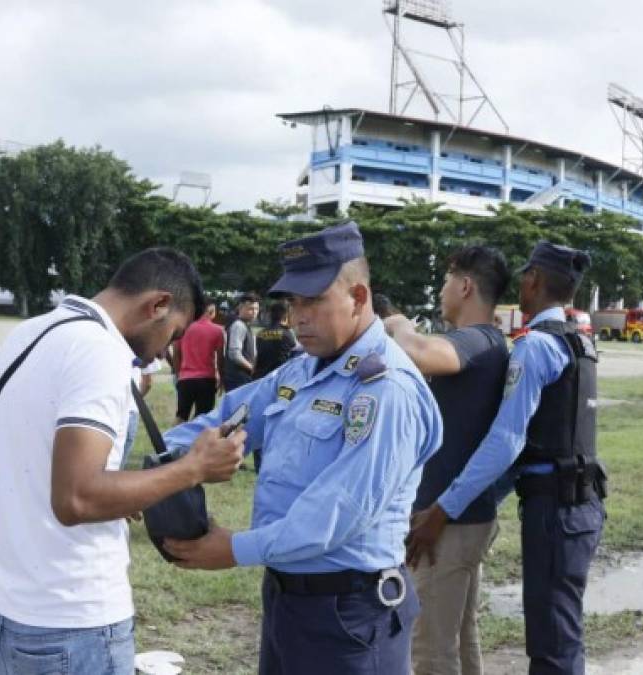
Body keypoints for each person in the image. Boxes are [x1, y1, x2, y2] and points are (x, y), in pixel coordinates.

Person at [161, 222, 443, 675]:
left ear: (358, 298)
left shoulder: (385, 389)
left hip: (349, 614)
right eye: (293, 302)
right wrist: (158, 468)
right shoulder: (301, 372)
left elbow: (334, 515)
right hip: (289, 599)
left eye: (313, 300)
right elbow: (225, 418)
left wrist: (233, 548)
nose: (298, 317)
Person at [0, 248, 246, 675]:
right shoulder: (103, 353)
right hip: (75, 625)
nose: (166, 353)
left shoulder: (33, 331)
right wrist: (193, 468)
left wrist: (114, 492)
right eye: (173, 334)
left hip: (11, 615)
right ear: (158, 305)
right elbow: (76, 499)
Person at [409, 241, 606, 675]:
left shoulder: (535, 346)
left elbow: (507, 441)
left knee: (552, 643)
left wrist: (444, 509)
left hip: (556, 508)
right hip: (575, 502)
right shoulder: (577, 341)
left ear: (533, 280)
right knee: (548, 634)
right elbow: (535, 442)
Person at [383, 245, 511, 675]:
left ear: (465, 285)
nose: (441, 291)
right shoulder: (490, 341)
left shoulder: (476, 340)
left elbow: (417, 350)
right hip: (462, 516)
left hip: (449, 523)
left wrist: (397, 321)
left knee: (431, 649)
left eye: (444, 281)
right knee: (458, 637)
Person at [173, 298, 226, 424]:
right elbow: (220, 359)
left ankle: (171, 441)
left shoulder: (184, 327)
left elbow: (176, 354)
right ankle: (195, 440)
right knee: (204, 417)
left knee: (181, 415)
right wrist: (222, 378)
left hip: (185, 378)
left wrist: (178, 374)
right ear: (211, 311)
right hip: (207, 379)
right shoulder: (218, 331)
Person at [223, 294, 259, 392]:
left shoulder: (246, 326)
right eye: (250, 309)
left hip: (243, 378)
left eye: (256, 309)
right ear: (240, 308)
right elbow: (234, 354)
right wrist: (252, 368)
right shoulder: (239, 325)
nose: (254, 312)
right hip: (237, 379)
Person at [253, 302, 298, 380]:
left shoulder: (260, 333)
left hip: (261, 377)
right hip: (280, 377)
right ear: (285, 315)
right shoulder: (287, 333)